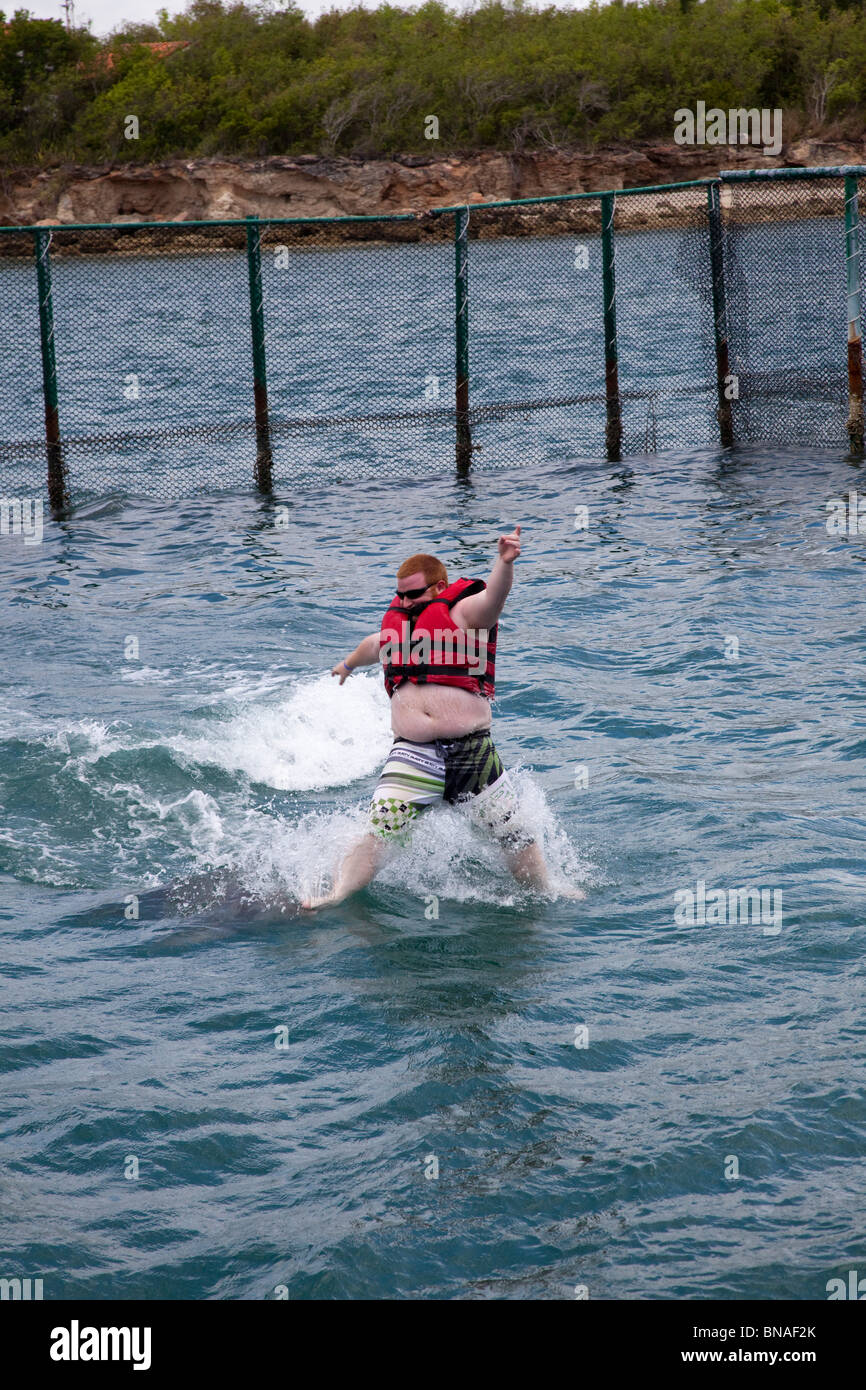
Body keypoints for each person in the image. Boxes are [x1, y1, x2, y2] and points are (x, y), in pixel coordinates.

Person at [301, 524, 584, 909]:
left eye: (413, 594)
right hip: (413, 754)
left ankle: (545, 888)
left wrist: (504, 563)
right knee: (378, 832)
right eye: (399, 596)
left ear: (438, 588)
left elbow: (494, 600)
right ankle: (337, 895)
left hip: (471, 754)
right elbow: (372, 645)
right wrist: (347, 665)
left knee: (514, 836)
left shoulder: (464, 612)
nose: (404, 603)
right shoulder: (398, 626)